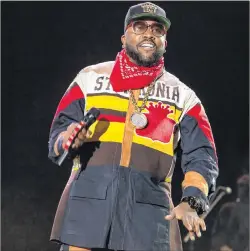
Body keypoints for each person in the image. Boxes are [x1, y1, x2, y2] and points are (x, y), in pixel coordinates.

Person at [48, 2, 219, 251]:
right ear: (123, 36)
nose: (149, 33)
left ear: (165, 41)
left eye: (157, 29)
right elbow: (59, 133)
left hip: (148, 222)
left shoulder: (183, 96)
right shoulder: (90, 78)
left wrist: (192, 202)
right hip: (87, 216)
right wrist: (68, 140)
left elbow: (203, 155)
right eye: (139, 26)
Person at [211, 174, 249, 251]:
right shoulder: (228, 208)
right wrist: (221, 246)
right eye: (241, 186)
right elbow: (218, 231)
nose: (243, 189)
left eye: (245, 186)